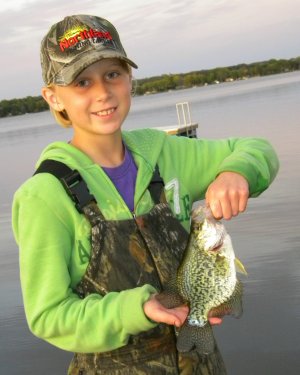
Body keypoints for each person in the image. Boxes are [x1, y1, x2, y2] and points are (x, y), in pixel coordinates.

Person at [12, 14, 279, 375]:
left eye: (113, 74)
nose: (102, 93)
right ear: (53, 97)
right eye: (81, 82)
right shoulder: (44, 196)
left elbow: (256, 148)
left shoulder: (164, 154)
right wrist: (137, 310)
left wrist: (237, 172)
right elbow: (49, 317)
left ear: (130, 79)